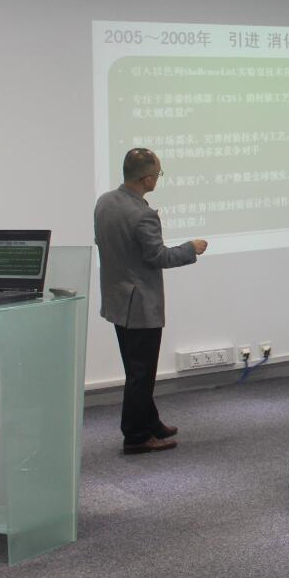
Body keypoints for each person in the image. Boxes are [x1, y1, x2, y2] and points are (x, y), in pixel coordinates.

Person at [94, 148, 207, 454]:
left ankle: (150, 421)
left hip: (117, 300)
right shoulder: (143, 214)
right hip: (140, 304)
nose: (158, 179)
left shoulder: (105, 202)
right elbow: (158, 256)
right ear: (146, 178)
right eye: (158, 174)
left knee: (136, 369)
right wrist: (191, 248)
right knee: (141, 373)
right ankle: (136, 436)